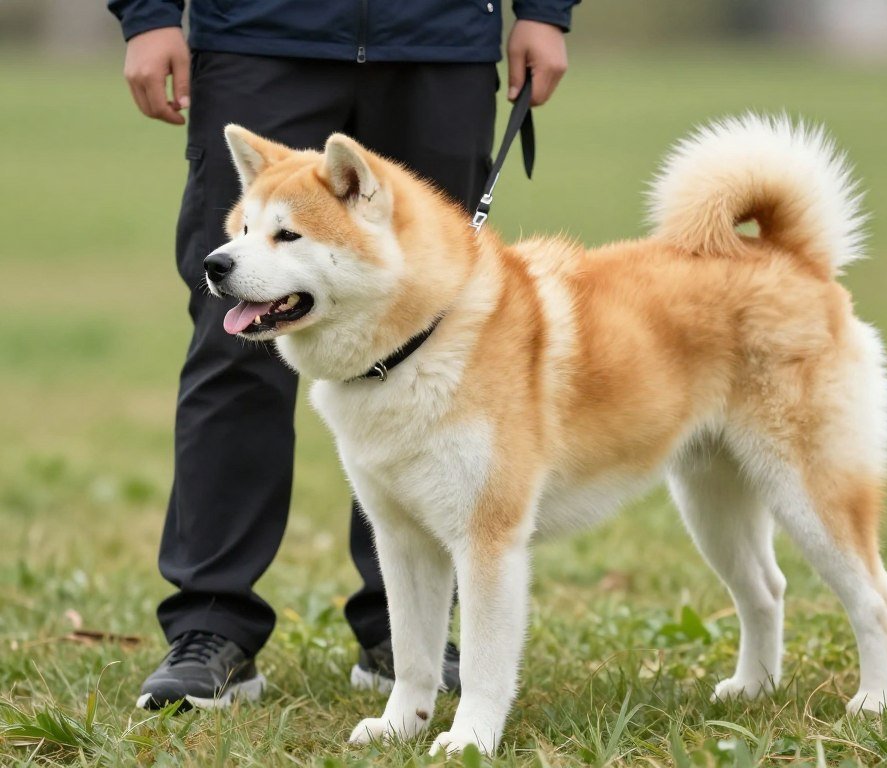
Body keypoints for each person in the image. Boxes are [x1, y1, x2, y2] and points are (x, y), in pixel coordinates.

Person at [107, 0, 579, 710]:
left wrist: (545, 10)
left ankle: (404, 638)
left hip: (437, 39)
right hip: (260, 33)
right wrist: (147, 13)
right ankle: (213, 625)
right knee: (235, 334)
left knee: (440, 340)